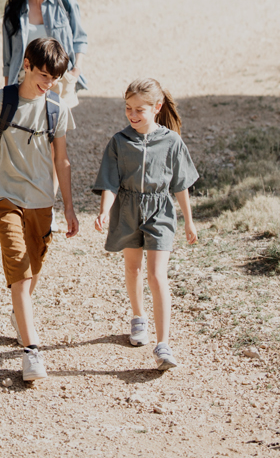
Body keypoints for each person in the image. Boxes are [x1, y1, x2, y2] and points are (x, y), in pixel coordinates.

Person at [0, 37, 80, 382]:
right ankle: (32, 352)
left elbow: (62, 159)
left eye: (54, 78)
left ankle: (19, 312)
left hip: (41, 199)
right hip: (3, 197)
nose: (48, 83)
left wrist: (69, 207)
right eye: (44, 75)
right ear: (26, 64)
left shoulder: (56, 109)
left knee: (34, 267)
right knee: (21, 267)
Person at [94, 78, 199, 371]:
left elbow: (180, 185)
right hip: (127, 210)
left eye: (139, 109)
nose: (133, 115)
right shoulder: (119, 141)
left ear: (157, 107)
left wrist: (189, 221)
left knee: (156, 275)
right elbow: (110, 183)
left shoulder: (172, 142)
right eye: (128, 108)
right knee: (133, 268)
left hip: (160, 211)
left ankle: (163, 344)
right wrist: (105, 211)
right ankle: (138, 318)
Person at [3, 0, 87, 108]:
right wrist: (8, 92)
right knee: (28, 130)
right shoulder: (14, 8)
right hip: (25, 81)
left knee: (57, 131)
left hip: (60, 80)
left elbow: (80, 39)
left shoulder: (66, 2)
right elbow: (8, 57)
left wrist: (75, 71)